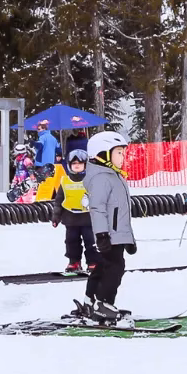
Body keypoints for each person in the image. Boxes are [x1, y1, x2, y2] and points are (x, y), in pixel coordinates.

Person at [82, 131, 135, 323]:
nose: (123, 157)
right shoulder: (101, 177)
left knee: (103, 266)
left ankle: (91, 301)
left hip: (116, 233)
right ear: (102, 154)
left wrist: (128, 238)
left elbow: (121, 211)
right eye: (118, 153)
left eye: (123, 153)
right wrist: (102, 234)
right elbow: (98, 208)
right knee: (115, 267)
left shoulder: (113, 175)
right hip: (109, 234)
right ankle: (104, 305)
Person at [39, 150, 98, 276]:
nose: (77, 165)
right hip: (70, 218)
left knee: (90, 241)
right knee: (71, 241)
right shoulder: (65, 181)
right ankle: (74, 261)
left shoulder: (91, 180)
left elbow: (99, 198)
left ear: (85, 165)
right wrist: (56, 217)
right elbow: (59, 201)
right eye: (74, 163)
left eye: (80, 163)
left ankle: (93, 262)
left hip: (88, 218)